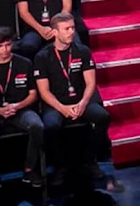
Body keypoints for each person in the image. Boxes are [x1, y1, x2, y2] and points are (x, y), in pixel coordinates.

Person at [34, 13, 117, 191]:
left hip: (81, 100)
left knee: (103, 117)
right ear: (55, 32)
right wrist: (62, 108)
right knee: (51, 126)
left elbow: (91, 83)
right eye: (66, 29)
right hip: (56, 104)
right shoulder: (42, 56)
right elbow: (44, 91)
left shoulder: (82, 51)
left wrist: (83, 103)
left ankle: (89, 159)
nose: (71, 32)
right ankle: (60, 166)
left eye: (72, 28)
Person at [0, 27, 47, 187]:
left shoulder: (25, 63)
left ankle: (29, 169)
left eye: (8, 45)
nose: (5, 50)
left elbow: (33, 94)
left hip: (21, 109)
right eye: (0, 46)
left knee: (37, 125)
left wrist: (17, 106)